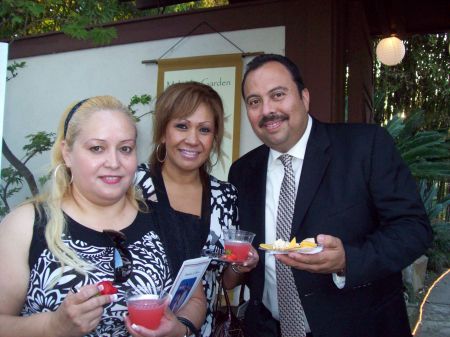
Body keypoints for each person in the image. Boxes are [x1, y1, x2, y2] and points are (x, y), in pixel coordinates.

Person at [228, 54, 432, 337]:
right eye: (254, 101)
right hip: (267, 328)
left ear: (305, 97)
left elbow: (414, 230)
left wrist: (348, 259)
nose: (267, 110)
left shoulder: (365, 146)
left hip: (359, 328)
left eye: (278, 95)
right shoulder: (242, 172)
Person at [0, 96, 206, 337]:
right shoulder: (27, 225)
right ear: (67, 153)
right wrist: (51, 327)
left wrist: (179, 328)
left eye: (125, 149)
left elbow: (196, 299)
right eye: (97, 148)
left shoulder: (164, 220)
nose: (114, 162)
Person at [135, 81, 259, 337]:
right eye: (182, 126)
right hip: (136, 328)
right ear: (162, 132)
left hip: (199, 330)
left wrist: (240, 266)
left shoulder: (225, 197)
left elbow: (225, 280)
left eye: (204, 129)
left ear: (214, 138)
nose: (192, 140)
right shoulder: (132, 186)